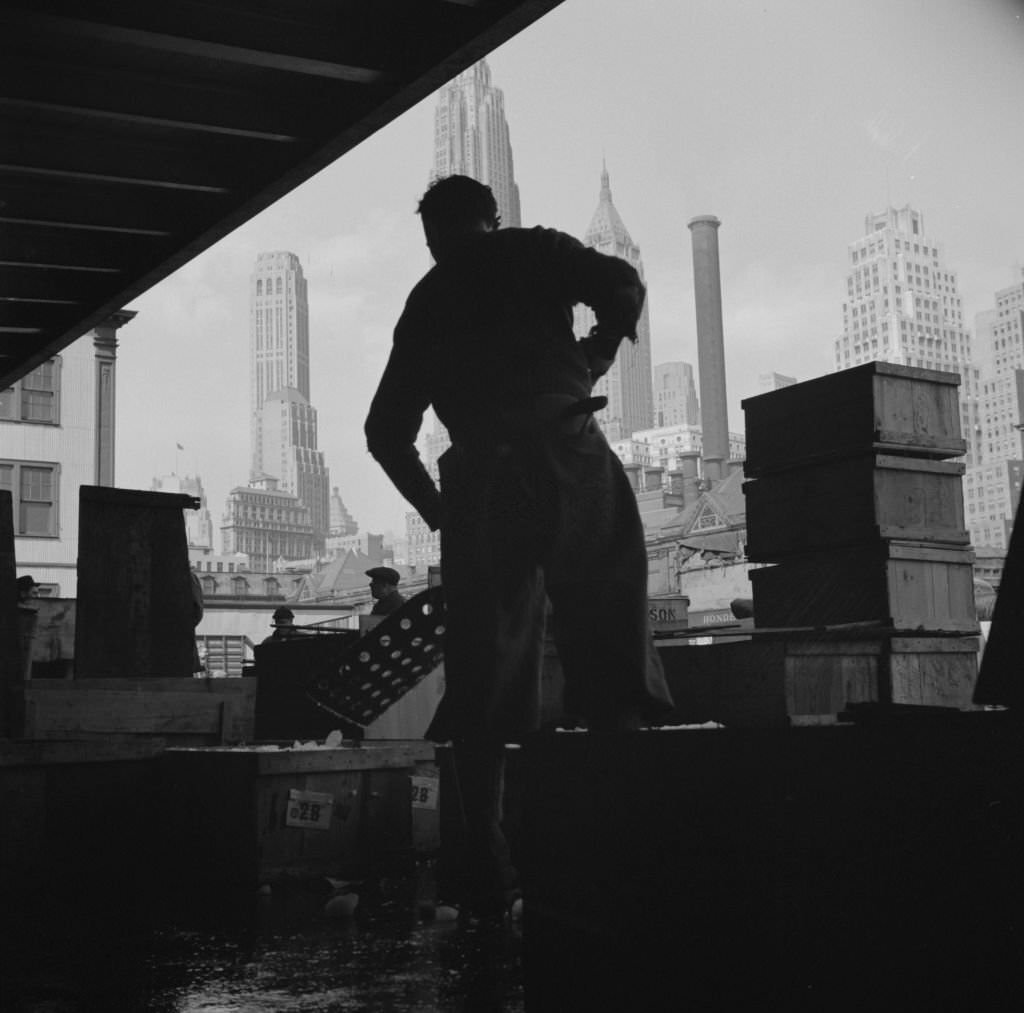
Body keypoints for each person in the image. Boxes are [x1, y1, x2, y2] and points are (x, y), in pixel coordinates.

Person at [364, 175, 674, 920]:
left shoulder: (426, 300)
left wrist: (441, 511)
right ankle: (617, 854)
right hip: (565, 444)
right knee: (607, 635)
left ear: (433, 237)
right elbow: (624, 287)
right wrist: (594, 355)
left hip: (479, 477)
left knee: (485, 674)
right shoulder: (533, 250)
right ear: (491, 219)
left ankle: (486, 871)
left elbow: (385, 433)